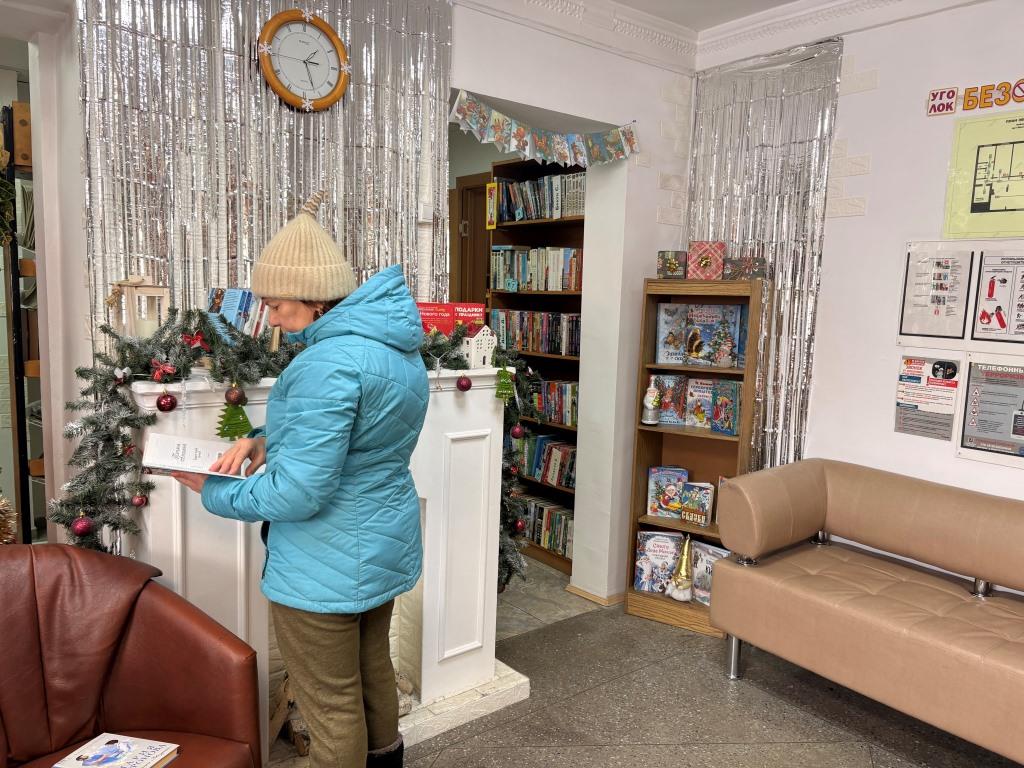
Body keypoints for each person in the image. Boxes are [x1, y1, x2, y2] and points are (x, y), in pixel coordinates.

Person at [173, 191, 429, 768]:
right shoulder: (397, 350)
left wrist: (213, 489)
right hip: (383, 544)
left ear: (314, 299)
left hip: (324, 561)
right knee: (372, 673)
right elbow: (361, 435)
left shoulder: (325, 362)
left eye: (276, 304)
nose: (269, 318)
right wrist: (263, 439)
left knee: (330, 704)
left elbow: (299, 492)